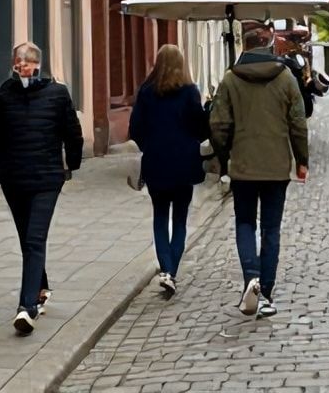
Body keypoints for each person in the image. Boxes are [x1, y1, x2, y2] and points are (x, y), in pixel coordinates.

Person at [210, 23, 309, 320]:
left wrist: (224, 155)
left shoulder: (230, 79)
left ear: (245, 45)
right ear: (268, 45)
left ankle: (250, 276)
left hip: (242, 166)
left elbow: (218, 124)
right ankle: (265, 291)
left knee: (244, 223)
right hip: (277, 166)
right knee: (271, 228)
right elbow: (298, 122)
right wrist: (301, 159)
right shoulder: (285, 78)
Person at [0, 41, 83, 334]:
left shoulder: (57, 94)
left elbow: (72, 133)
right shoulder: (4, 95)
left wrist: (72, 165)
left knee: (34, 239)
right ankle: (41, 287)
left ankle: (26, 308)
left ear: (38, 64)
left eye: (26, 61)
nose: (21, 66)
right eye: (17, 61)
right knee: (27, 236)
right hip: (14, 179)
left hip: (46, 179)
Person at [129, 44, 209, 297]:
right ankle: (171, 271)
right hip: (184, 162)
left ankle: (165, 267)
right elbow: (200, 128)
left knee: (160, 217)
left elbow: (136, 128)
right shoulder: (189, 92)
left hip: (157, 162)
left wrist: (150, 146)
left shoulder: (146, 92)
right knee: (181, 218)